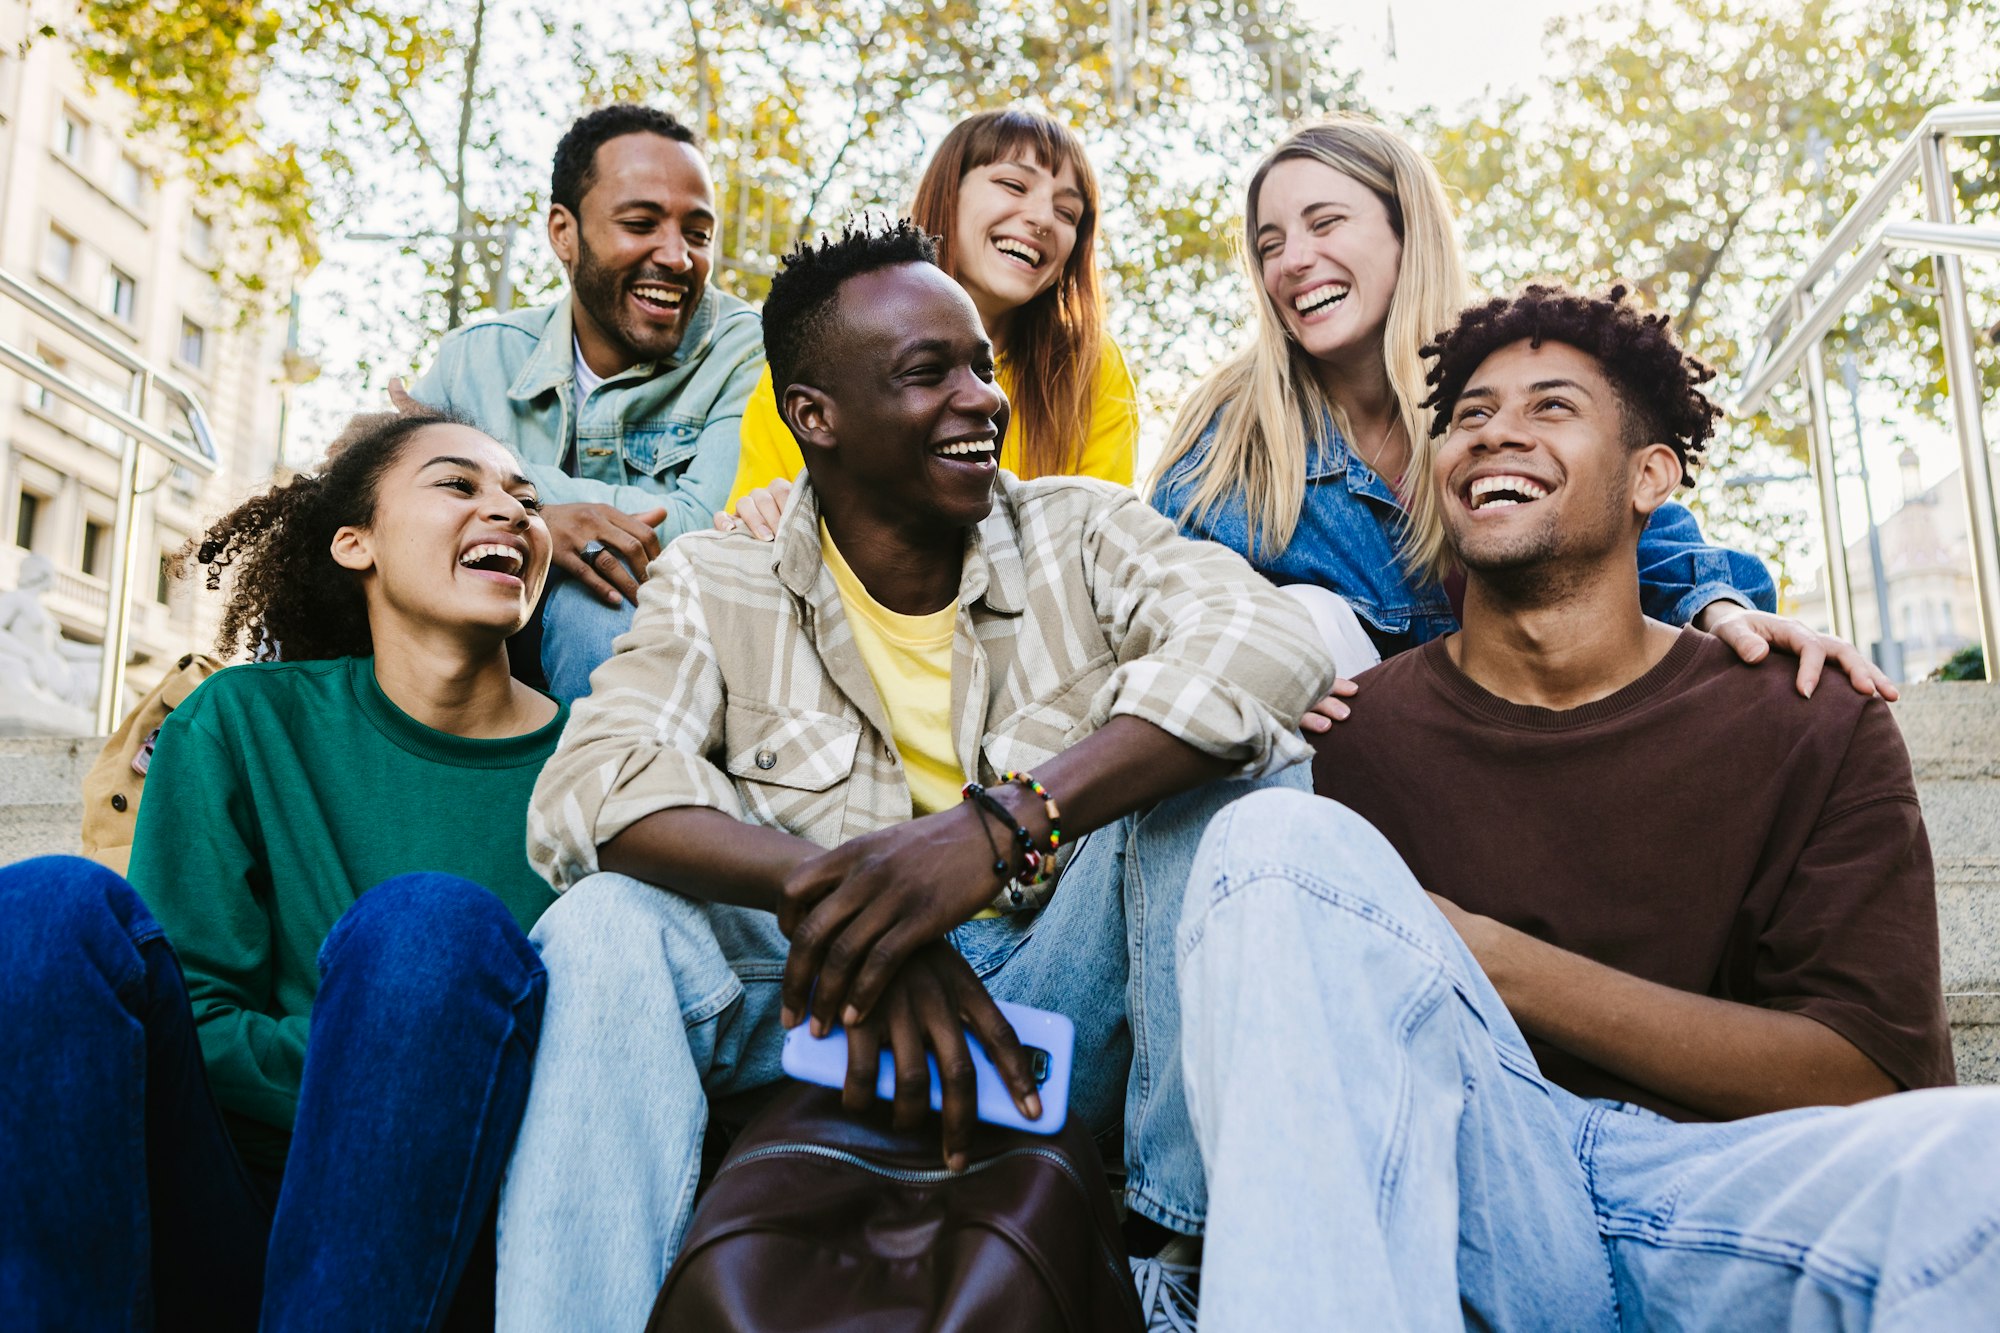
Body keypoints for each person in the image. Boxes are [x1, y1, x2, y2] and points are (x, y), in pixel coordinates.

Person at [496, 221, 1334, 1331]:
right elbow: (589, 787)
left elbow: (1269, 645)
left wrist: (995, 828)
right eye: (925, 372)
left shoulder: (1076, 527)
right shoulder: (719, 576)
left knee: (1232, 790)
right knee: (605, 922)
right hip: (824, 1006)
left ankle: (1172, 1259)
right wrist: (857, 906)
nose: (981, 399)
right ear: (814, 418)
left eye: (979, 366)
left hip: (1055, 996)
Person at [1176, 285, 1999, 1332]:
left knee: (1980, 1159)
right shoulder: (1351, 740)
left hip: (1712, 1192)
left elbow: (1861, 1081)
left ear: (1650, 474)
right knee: (1263, 831)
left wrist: (1476, 953)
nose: (1495, 433)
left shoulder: (1808, 718)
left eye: (1549, 406)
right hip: (1469, 1184)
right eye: (1468, 415)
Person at [0, 412, 567, 1329]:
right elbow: (198, 1021)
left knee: (429, 928)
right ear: (357, 543)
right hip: (215, 1204)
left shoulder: (605, 767)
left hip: (450, 1232)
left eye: (527, 500)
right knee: (44, 903)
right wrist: (399, 1052)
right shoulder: (240, 721)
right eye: (460, 486)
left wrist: (414, 1041)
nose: (509, 510)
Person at [1149, 116, 1892, 713]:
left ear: (1407, 231)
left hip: (1517, 738)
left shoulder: (1507, 371)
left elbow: (1618, 508)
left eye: (1324, 223)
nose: (1293, 261)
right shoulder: (1229, 441)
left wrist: (1720, 608)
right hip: (1336, 766)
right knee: (1308, 618)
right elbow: (1164, 615)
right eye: (1270, 243)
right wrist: (1262, 676)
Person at [401, 104, 764, 702]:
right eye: (642, 224)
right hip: (472, 632)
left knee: (597, 599)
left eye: (698, 234)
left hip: (664, 653)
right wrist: (538, 525)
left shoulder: (746, 349)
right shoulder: (475, 358)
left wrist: (526, 510)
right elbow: (394, 518)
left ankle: (611, 794)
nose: (677, 257)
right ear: (563, 234)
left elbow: (708, 530)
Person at [718, 107, 1138, 539]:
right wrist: (762, 511)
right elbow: (761, 512)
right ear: (948, 192)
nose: (1043, 219)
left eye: (1068, 213)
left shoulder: (1092, 366)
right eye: (1014, 185)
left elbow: (1098, 538)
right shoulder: (824, 347)